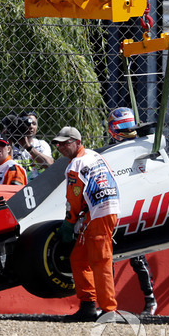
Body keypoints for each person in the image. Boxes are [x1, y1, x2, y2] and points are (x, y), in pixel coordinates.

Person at [54, 126, 120, 321]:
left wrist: (69, 223)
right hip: (105, 209)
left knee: (100, 261)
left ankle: (109, 310)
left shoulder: (75, 165)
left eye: (66, 143)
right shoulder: (94, 155)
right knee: (79, 259)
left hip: (98, 212)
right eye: (58, 143)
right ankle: (88, 306)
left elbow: (73, 199)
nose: (61, 147)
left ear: (78, 142)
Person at [107, 107, 158, 315]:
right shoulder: (111, 151)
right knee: (107, 257)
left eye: (128, 129)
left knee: (137, 256)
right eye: (123, 129)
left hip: (137, 207)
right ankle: (107, 303)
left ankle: (151, 301)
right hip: (115, 208)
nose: (126, 133)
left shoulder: (144, 148)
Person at [12, 111, 54, 179]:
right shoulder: (11, 146)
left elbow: (50, 164)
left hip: (39, 184)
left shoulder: (42, 144)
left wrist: (29, 147)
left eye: (34, 124)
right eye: (27, 123)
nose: (31, 126)